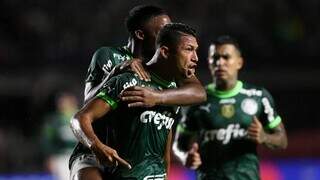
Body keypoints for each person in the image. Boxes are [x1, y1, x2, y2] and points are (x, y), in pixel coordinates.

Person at [69, 23, 199, 180]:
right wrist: (97, 147)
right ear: (165, 51)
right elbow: (80, 118)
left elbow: (165, 136)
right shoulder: (128, 80)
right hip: (112, 168)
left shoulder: (174, 91)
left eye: (196, 50)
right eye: (189, 49)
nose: (195, 57)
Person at [173, 35, 288, 180]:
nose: (220, 62)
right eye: (215, 58)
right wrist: (185, 158)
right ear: (209, 62)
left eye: (226, 57)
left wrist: (264, 137)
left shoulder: (258, 96)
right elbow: (178, 145)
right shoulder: (197, 100)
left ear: (239, 62)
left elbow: (282, 139)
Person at [83, 5, 206, 107]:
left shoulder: (167, 60)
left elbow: (199, 93)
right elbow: (87, 101)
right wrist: (115, 72)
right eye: (162, 32)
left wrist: (157, 97)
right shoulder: (109, 55)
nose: (168, 36)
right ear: (140, 35)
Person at [41, 92, 79, 180]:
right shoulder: (54, 121)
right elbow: (47, 140)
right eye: (62, 102)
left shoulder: (83, 117)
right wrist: (50, 157)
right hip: (61, 157)